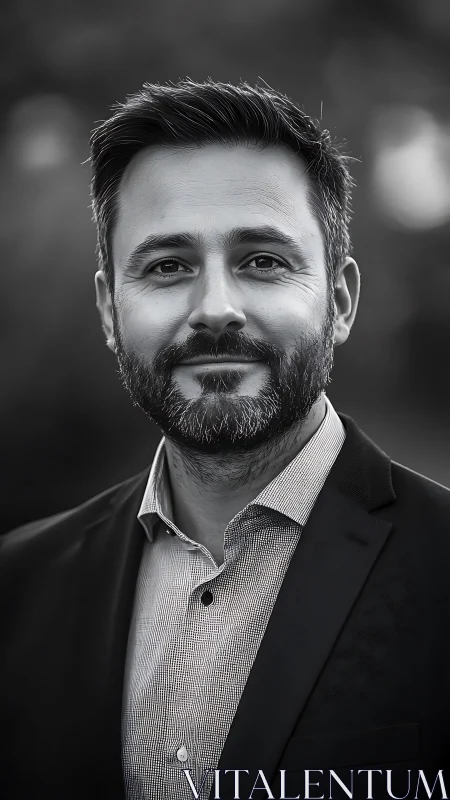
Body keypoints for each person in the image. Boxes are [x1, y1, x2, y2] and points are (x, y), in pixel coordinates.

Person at [1, 79, 449, 800]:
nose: (215, 310)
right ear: (110, 312)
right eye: (167, 266)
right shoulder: (16, 591)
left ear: (339, 302)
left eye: (262, 261)